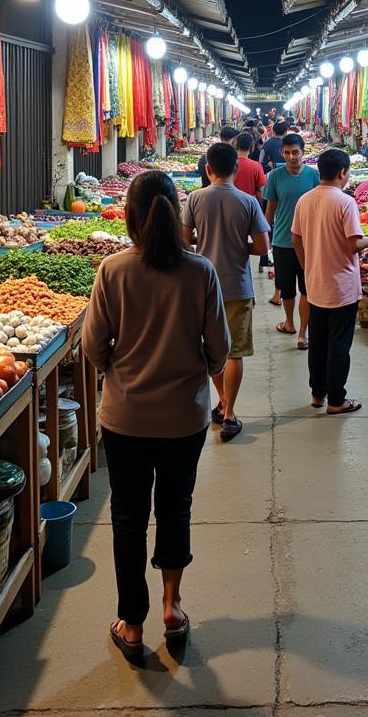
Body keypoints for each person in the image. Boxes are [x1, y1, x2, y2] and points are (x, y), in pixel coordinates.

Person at [82, 170, 230, 660]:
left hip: (125, 418)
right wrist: (195, 375)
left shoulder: (113, 270)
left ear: (129, 215)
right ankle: (172, 607)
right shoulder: (200, 271)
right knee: (175, 509)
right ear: (176, 212)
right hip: (184, 419)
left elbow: (92, 347)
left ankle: (132, 624)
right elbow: (220, 349)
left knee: (127, 518)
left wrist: (121, 373)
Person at [182, 142, 271, 443]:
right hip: (237, 287)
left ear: (208, 170)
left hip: (200, 286)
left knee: (211, 349)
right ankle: (230, 411)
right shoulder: (248, 202)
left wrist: (205, 238)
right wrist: (237, 244)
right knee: (235, 351)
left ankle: (221, 401)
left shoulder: (195, 199)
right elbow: (262, 248)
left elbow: (184, 242)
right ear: (236, 168)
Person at [292, 148, 368, 414]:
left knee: (319, 341)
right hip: (342, 286)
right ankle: (337, 400)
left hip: (316, 283)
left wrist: (307, 267)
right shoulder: (345, 202)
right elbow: (353, 244)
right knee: (339, 344)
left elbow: (296, 239)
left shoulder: (305, 200)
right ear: (343, 172)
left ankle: (318, 394)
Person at [263, 132, 320, 348]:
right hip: (282, 241)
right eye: (286, 153)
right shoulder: (275, 176)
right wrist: (265, 235)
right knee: (286, 289)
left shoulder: (314, 176)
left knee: (306, 288)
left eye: (295, 152)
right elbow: (270, 210)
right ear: (281, 153)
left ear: (303, 152)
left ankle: (303, 333)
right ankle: (289, 322)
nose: (291, 157)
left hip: (310, 242)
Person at [235, 131, 271, 271]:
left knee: (237, 237)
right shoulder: (256, 166)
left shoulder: (231, 164)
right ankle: (262, 263)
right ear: (251, 147)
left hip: (233, 206)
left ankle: (236, 262)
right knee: (260, 235)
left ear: (235, 145)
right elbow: (262, 189)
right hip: (251, 207)